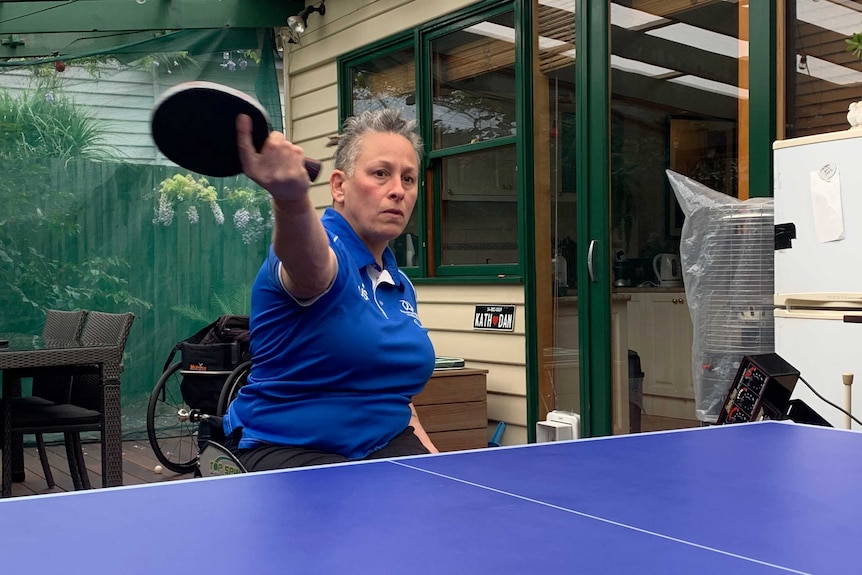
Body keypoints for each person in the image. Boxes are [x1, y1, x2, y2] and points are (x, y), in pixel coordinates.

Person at [222, 108, 438, 470]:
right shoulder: (325, 251)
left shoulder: (398, 284)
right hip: (289, 449)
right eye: (381, 174)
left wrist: (441, 471)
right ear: (339, 186)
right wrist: (291, 201)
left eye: (409, 178)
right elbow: (310, 267)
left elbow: (395, 394)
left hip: (383, 444)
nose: (398, 190)